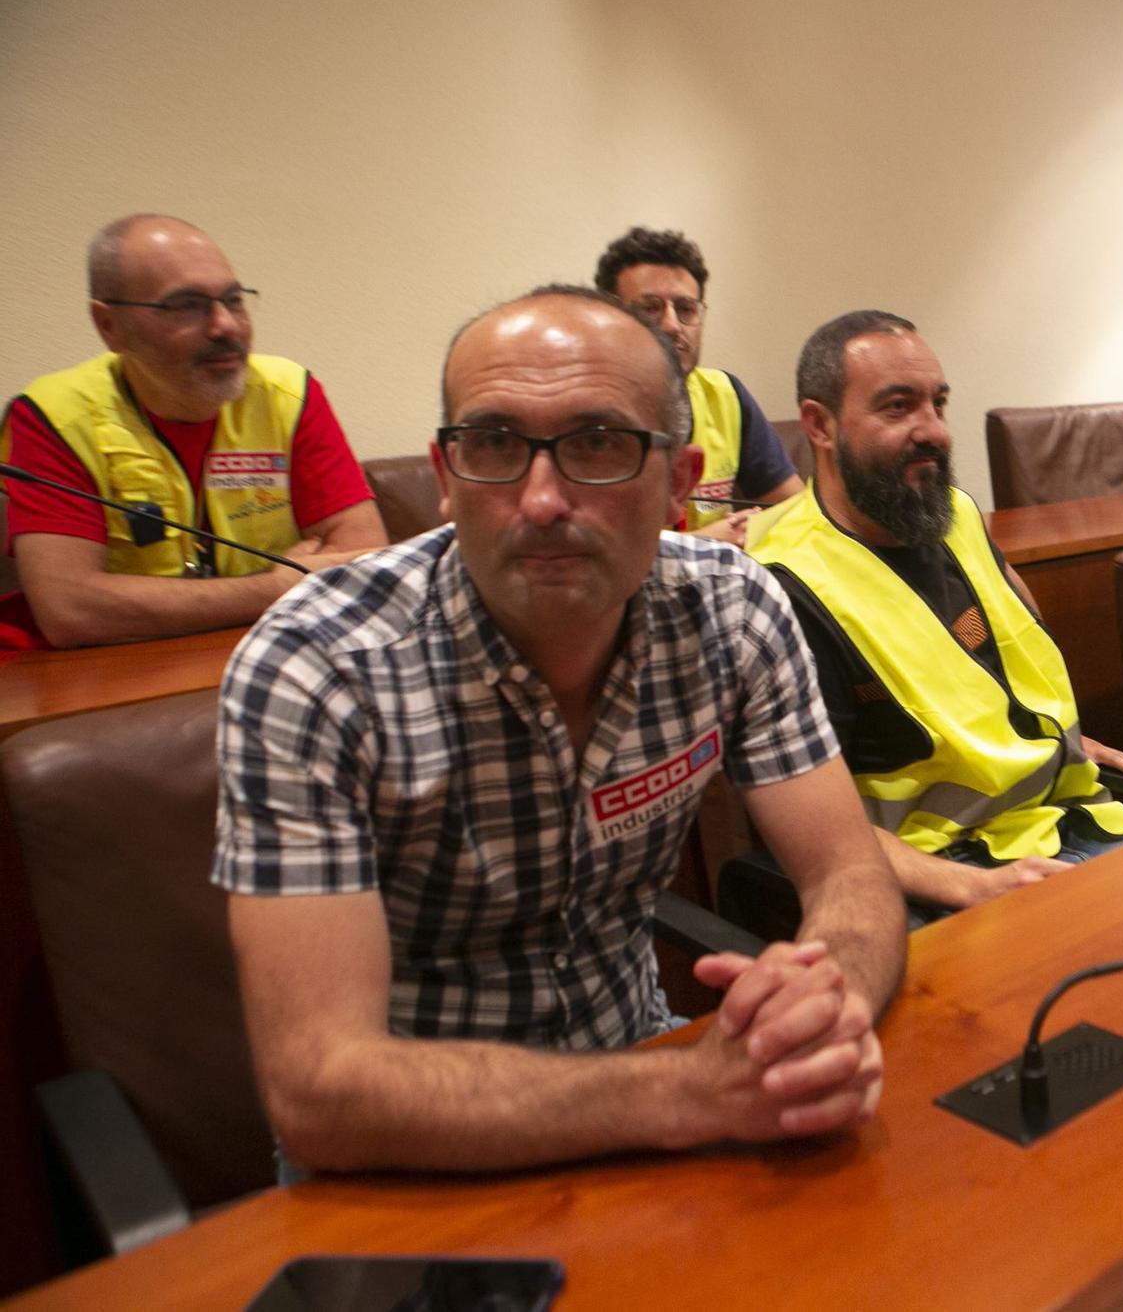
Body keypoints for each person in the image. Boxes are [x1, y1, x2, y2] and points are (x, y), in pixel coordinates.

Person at [212, 286, 906, 1174]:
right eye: (496, 444)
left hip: (649, 1082)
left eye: (598, 444)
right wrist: (691, 1091)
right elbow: (322, 1086)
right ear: (445, 476)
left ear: (680, 483)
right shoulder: (316, 665)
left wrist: (822, 1010)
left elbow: (849, 872)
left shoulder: (733, 610)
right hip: (405, 1155)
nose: (541, 500)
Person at [751, 310, 1123, 917]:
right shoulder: (784, 586)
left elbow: (1003, 672)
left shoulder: (956, 515)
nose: (933, 430)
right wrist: (973, 887)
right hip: (946, 879)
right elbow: (818, 829)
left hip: (1072, 821)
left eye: (938, 404)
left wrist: (1054, 739)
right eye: (898, 407)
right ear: (820, 425)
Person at [0, 214, 385, 648]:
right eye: (186, 305)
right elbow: (71, 609)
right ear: (110, 326)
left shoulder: (289, 393)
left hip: (271, 648)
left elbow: (364, 560)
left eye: (234, 300)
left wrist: (177, 603)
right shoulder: (54, 415)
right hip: (117, 670)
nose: (226, 325)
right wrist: (279, 587)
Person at [594, 227, 804, 544]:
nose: (672, 325)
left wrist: (754, 527)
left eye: (685, 309)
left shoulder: (725, 395)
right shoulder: (585, 409)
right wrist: (705, 543)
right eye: (649, 308)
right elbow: (597, 546)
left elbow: (798, 509)